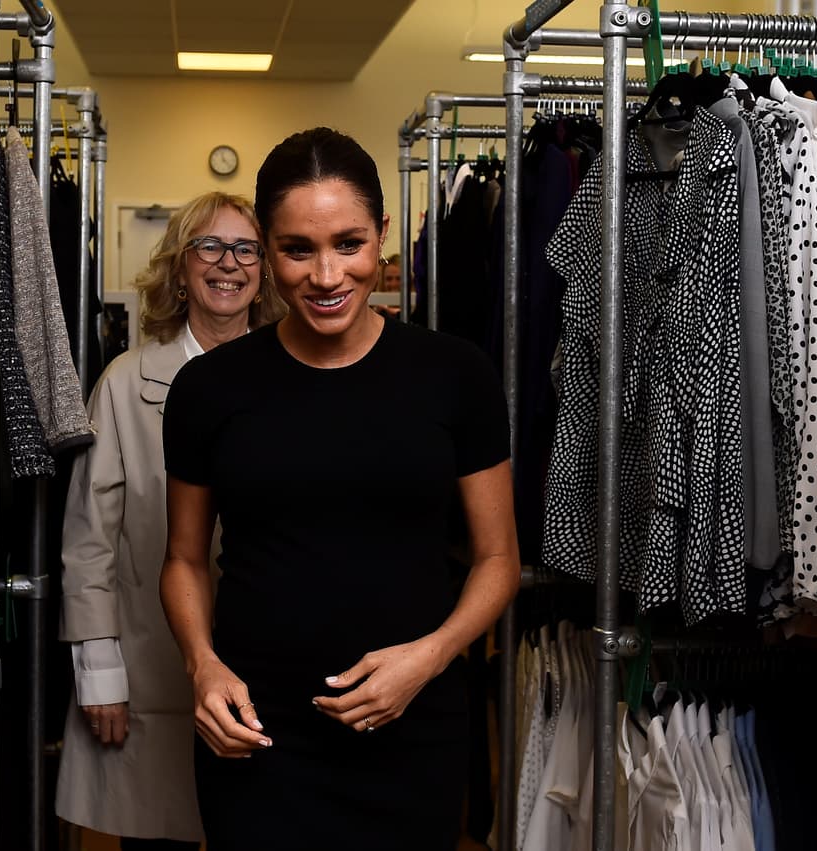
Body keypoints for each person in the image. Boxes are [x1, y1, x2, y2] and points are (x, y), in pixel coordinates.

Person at [160, 128, 521, 851]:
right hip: (256, 734)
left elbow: (498, 561)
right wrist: (202, 665)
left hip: (411, 726)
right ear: (266, 247)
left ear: (383, 237)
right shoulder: (208, 388)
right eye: (298, 249)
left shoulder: (456, 375)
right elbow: (185, 561)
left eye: (349, 244)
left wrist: (431, 655)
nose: (327, 276)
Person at [55, 192, 284, 851]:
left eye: (245, 249)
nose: (228, 264)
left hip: (267, 665)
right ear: (179, 268)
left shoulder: (290, 379)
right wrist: (99, 670)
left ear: (264, 270)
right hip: (154, 673)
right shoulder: (126, 383)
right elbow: (89, 540)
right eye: (208, 247)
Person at [374, 252, 402, 317]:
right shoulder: (376, 310)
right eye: (389, 279)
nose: (393, 284)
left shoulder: (417, 310)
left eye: (399, 278)